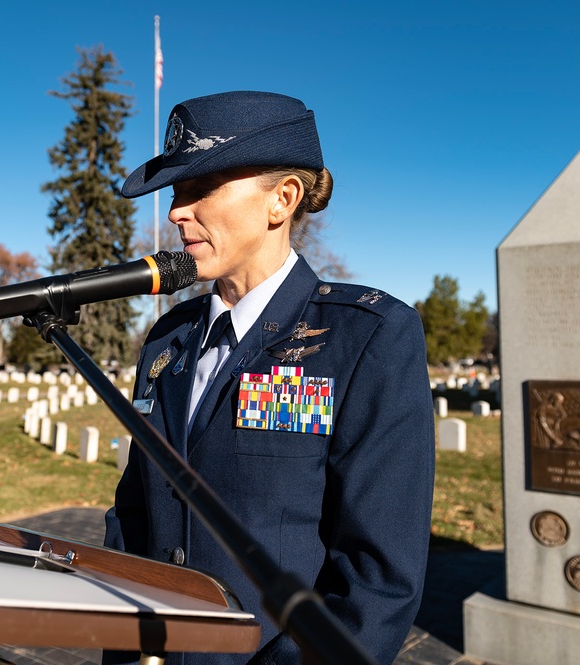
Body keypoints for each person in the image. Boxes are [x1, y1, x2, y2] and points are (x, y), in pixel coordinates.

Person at [103, 91, 435, 665]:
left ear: (282, 200)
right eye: (176, 194)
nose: (177, 212)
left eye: (200, 189)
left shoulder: (367, 336)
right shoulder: (168, 339)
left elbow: (377, 579)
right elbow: (135, 513)